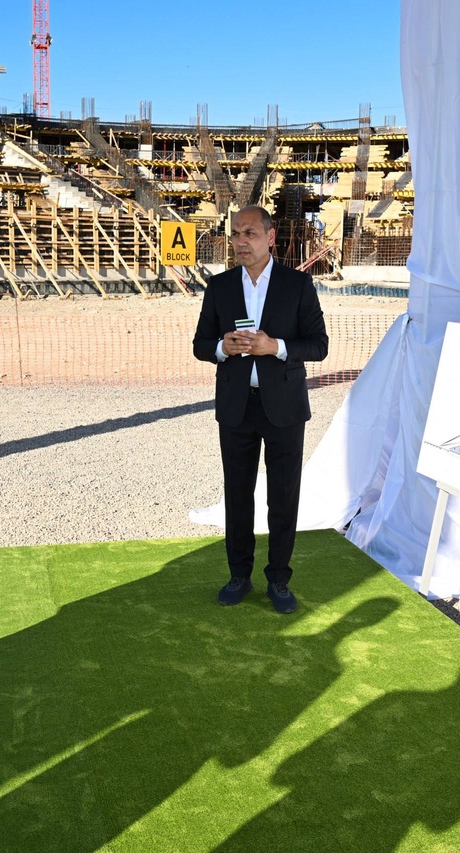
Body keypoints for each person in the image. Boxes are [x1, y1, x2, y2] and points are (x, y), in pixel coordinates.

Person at [193, 206, 328, 613]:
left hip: (284, 407)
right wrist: (222, 348)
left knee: (282, 498)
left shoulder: (298, 285)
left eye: (249, 233)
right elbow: (201, 345)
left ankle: (279, 580)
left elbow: (319, 345)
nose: (240, 241)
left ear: (270, 237)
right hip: (236, 407)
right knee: (238, 495)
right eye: (235, 234)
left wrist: (276, 347)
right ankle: (239, 576)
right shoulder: (219, 287)